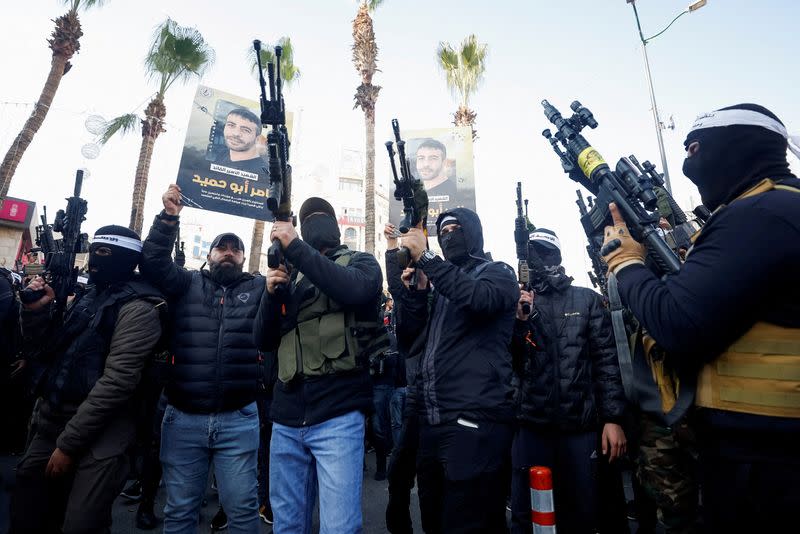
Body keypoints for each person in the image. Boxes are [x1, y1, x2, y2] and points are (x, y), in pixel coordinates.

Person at [600, 103, 800, 533]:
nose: (691, 165)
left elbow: (677, 323)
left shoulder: (759, 215)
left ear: (736, 148)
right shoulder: (779, 207)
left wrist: (627, 261)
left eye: (694, 149)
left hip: (766, 459)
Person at [10, 225, 165, 534]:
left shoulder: (140, 307)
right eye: (94, 251)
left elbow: (117, 383)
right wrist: (36, 312)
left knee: (82, 522)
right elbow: (48, 351)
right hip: (53, 418)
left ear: (127, 259)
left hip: (102, 431)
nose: (95, 260)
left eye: (105, 253)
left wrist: (68, 445)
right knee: (28, 507)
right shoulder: (89, 295)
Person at [254, 197, 384, 533]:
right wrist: (271, 295)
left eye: (322, 215)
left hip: (338, 414)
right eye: (309, 217)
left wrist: (295, 245)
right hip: (285, 418)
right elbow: (263, 340)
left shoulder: (361, 262)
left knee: (339, 527)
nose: (315, 222)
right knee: (287, 526)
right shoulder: (289, 276)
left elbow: (354, 290)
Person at [140, 184, 265, 534]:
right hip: (183, 418)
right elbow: (152, 262)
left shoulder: (257, 289)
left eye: (235, 249)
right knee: (180, 513)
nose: (228, 253)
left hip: (238, 419)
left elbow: (286, 283)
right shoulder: (186, 283)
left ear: (243, 257)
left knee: (242, 512)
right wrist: (168, 218)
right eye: (221, 247)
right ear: (209, 255)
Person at [395, 208, 519, 532]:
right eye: (443, 229)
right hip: (432, 422)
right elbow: (409, 341)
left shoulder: (498, 272)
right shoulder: (440, 287)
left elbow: (479, 298)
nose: (449, 234)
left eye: (455, 227)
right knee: (434, 520)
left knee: (471, 522)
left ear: (473, 231)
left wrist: (429, 261)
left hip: (476, 420)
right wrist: (417, 294)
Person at [509, 228, 627, 534]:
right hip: (531, 427)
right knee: (527, 514)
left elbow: (606, 362)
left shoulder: (587, 300)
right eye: (533, 252)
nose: (540, 260)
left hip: (580, 429)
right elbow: (510, 363)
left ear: (558, 256)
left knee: (582, 513)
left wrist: (613, 419)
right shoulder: (517, 302)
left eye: (546, 252)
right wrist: (519, 324)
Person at [210, 107, 267, 176]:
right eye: (231, 125)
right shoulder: (223, 154)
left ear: (257, 139)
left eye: (245, 130)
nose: (236, 133)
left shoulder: (262, 173)